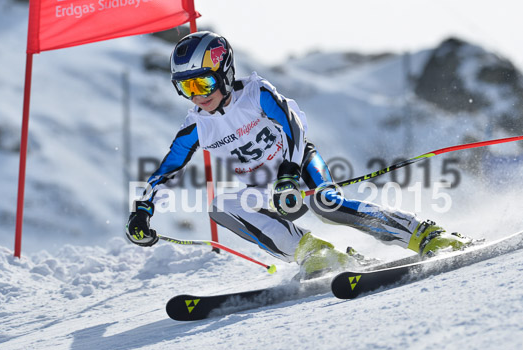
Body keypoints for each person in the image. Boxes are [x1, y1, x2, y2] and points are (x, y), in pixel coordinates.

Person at [126, 31, 471, 278]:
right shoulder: (196, 126)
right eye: (185, 87)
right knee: (219, 207)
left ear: (225, 73)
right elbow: (167, 170)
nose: (196, 95)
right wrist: (143, 209)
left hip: (299, 165)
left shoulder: (256, 94)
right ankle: (314, 252)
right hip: (264, 188)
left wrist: (290, 171)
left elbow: (294, 125)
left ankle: (425, 234)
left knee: (327, 204)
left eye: (202, 83)